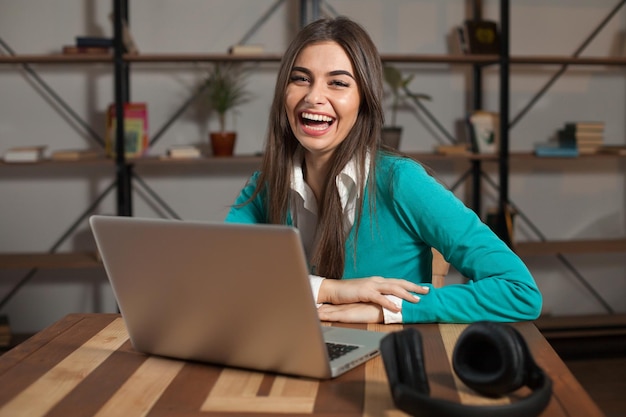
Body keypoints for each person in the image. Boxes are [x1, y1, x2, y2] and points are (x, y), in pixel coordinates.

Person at [225, 16, 542, 324]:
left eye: (338, 83)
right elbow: (218, 276)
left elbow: (519, 291)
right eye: (300, 79)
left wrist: (391, 309)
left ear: (364, 101)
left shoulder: (401, 182)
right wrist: (333, 290)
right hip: (297, 351)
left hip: (387, 361)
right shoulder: (265, 185)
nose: (313, 97)